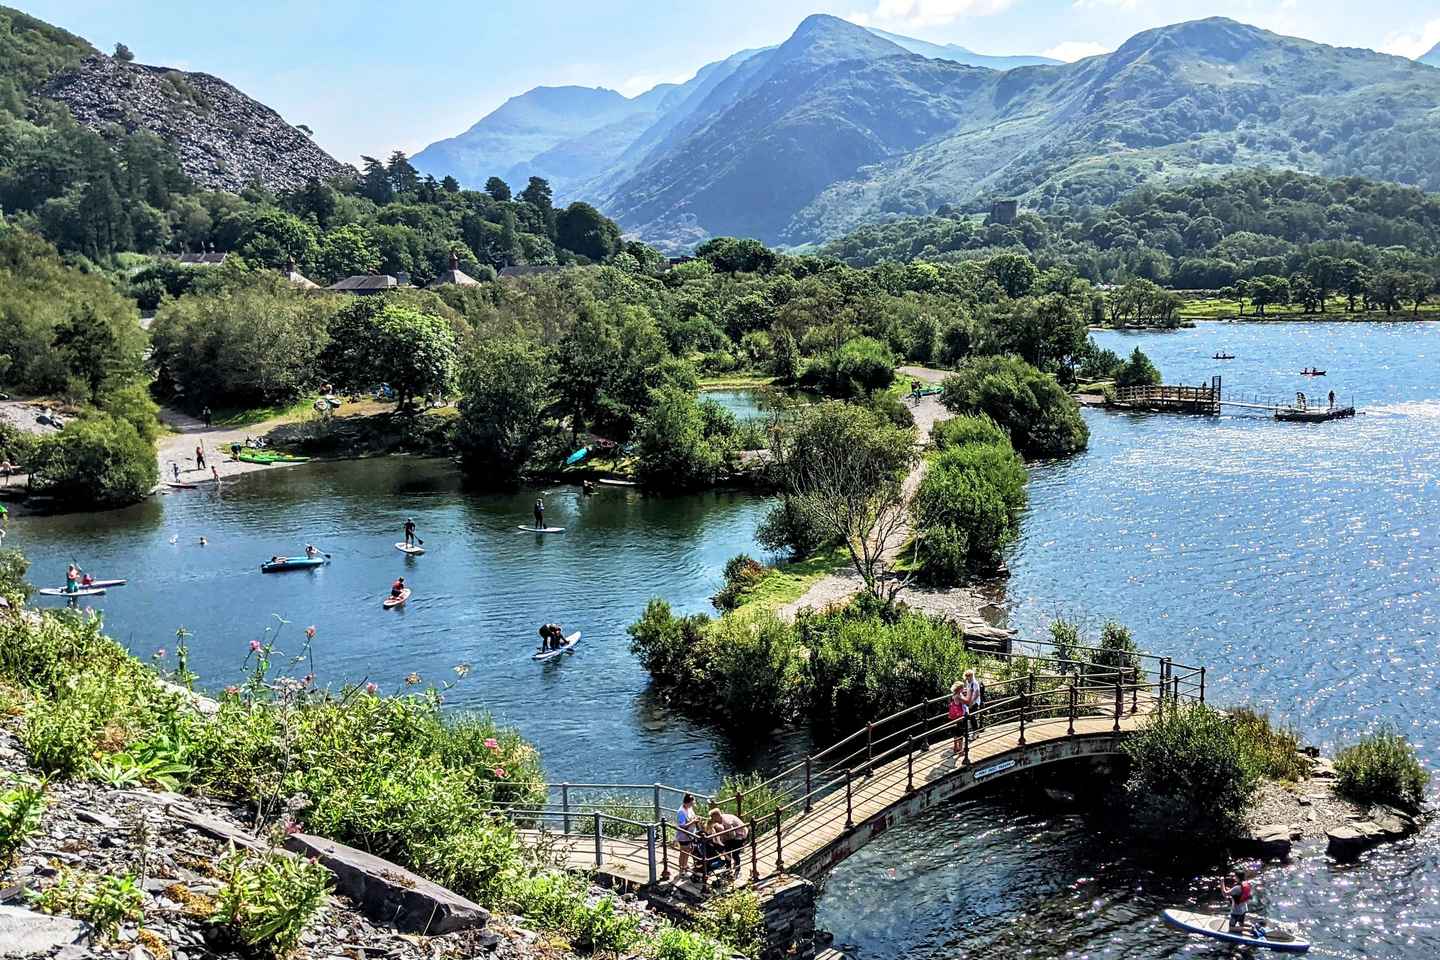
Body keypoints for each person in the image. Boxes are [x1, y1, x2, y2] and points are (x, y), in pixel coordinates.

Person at [706, 808, 749, 874]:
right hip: (733, 835)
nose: (711, 819)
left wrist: (722, 840)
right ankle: (728, 867)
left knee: (735, 853)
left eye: (712, 817)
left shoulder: (727, 822)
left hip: (740, 834)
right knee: (727, 850)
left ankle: (737, 867)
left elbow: (732, 835)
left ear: (716, 816)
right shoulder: (720, 819)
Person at [676, 794, 699, 877]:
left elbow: (693, 817)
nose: (692, 805)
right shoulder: (681, 812)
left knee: (688, 850)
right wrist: (693, 822)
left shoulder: (689, 808)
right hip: (683, 836)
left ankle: (685, 865)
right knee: (683, 852)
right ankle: (682, 868)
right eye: (691, 803)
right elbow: (682, 826)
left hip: (690, 834)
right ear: (687, 802)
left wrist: (696, 819)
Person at [959, 668, 983, 741]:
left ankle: (975, 732)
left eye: (968, 676)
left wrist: (971, 703)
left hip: (974, 702)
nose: (967, 677)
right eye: (966, 676)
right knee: (969, 717)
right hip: (970, 701)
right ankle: (973, 732)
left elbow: (977, 694)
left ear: (971, 676)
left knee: (972, 717)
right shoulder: (968, 682)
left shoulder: (974, 683)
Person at [948, 682, 965, 755]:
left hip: (952, 717)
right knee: (960, 733)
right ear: (959, 689)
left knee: (955, 732)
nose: (963, 689)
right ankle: (961, 750)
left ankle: (955, 747)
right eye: (962, 688)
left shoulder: (953, 695)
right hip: (959, 717)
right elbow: (967, 702)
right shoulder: (959, 696)